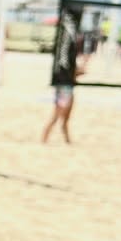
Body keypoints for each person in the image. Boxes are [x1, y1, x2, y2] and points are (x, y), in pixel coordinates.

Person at [42, 8, 84, 143]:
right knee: (56, 116)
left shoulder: (67, 52)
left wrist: (80, 71)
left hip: (67, 86)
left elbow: (74, 73)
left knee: (65, 119)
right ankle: (44, 140)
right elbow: (73, 72)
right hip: (64, 87)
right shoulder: (66, 51)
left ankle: (67, 141)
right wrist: (80, 71)